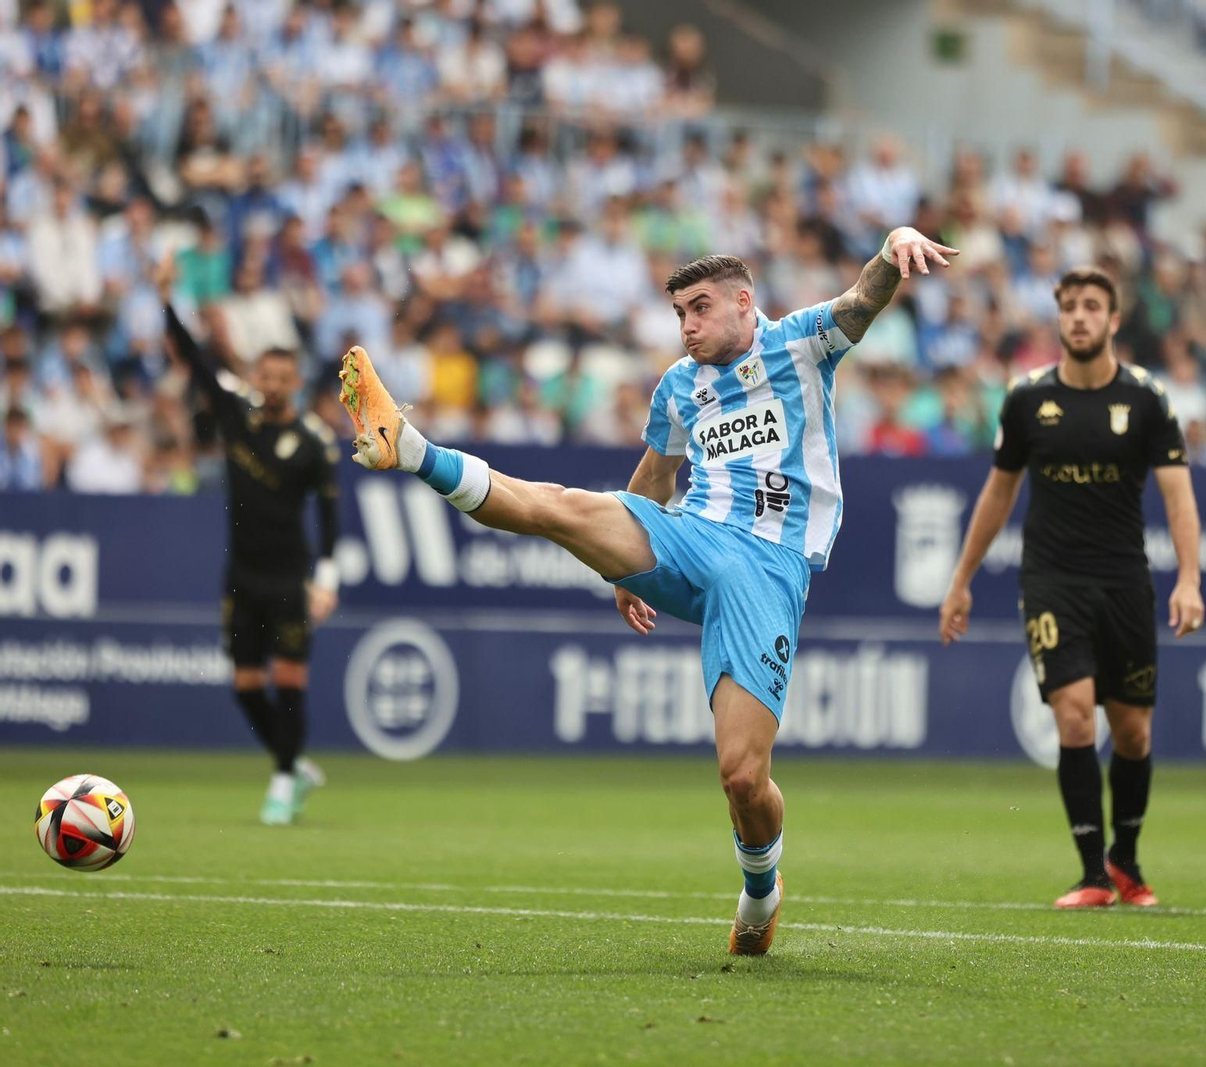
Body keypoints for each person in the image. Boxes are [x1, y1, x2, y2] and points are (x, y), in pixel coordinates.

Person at [338, 227, 958, 954]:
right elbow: (656, 481)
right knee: (559, 506)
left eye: (700, 309)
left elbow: (862, 300)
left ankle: (762, 885)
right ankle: (408, 446)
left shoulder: (798, 344)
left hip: (765, 566)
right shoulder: (677, 387)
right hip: (688, 539)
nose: (688, 326)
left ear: (742, 303)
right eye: (679, 314)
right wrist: (621, 566)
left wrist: (891, 248)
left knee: (742, 777)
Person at [937, 266, 1204, 909]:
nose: (1080, 317)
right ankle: (1091, 874)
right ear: (1059, 319)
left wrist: (1190, 579)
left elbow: (1179, 497)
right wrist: (961, 581)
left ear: (1113, 321)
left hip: (1125, 582)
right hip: (1053, 580)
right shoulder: (1026, 398)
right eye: (1070, 307)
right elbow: (998, 493)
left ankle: (1126, 860)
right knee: (1075, 713)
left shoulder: (1148, 399)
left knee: (1134, 732)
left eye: (1092, 307)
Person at [161, 269, 340, 826]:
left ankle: (283, 782)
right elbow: (191, 355)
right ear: (257, 375)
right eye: (267, 373)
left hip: (289, 579)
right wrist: (168, 295)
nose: (275, 381)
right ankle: (293, 764)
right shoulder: (236, 412)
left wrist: (326, 581)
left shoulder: (314, 443)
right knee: (244, 687)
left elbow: (331, 519)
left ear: (296, 379)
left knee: (288, 681)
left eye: (285, 374)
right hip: (241, 575)